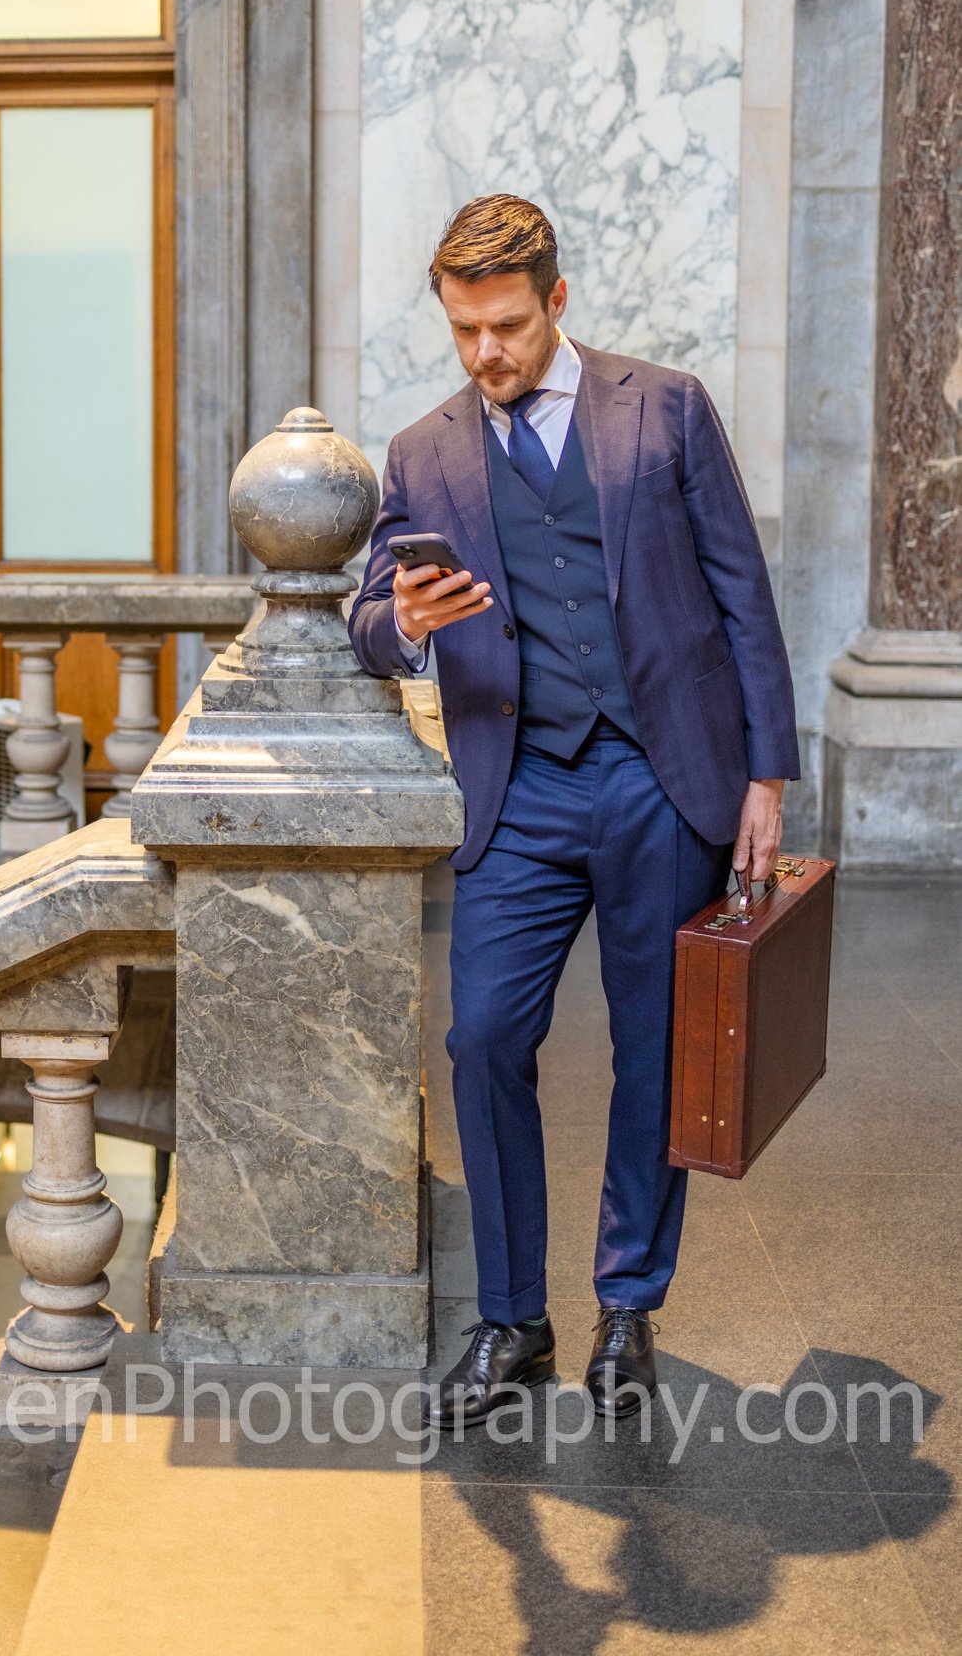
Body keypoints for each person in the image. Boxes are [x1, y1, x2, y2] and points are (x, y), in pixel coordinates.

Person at [348, 194, 800, 1424]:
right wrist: (406, 627)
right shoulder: (423, 449)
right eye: (461, 331)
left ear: (556, 301)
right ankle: (511, 1322)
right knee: (483, 1037)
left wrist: (764, 776)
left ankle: (626, 1309)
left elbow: (741, 595)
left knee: (655, 1048)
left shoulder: (663, 406)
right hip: (521, 784)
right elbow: (367, 614)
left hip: (665, 777)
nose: (484, 354)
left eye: (503, 325)